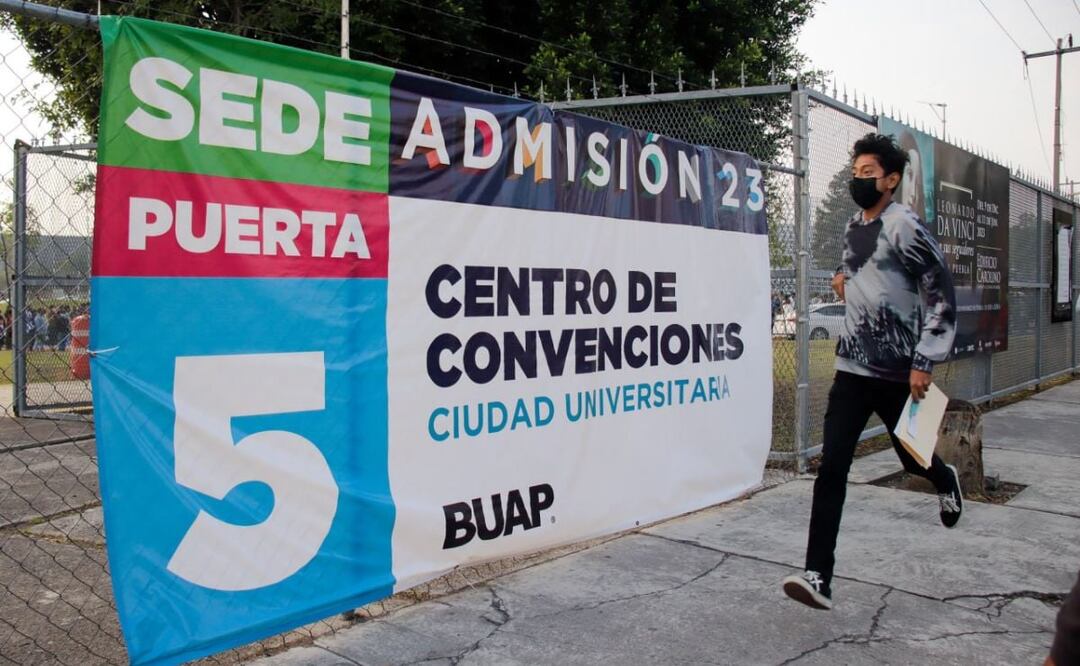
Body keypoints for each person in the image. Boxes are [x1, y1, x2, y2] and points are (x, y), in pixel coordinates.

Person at [781, 133, 962, 611]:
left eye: (868, 173)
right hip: (851, 369)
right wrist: (844, 282)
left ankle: (944, 479)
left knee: (913, 459)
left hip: (898, 372)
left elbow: (940, 293)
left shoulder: (905, 226)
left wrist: (924, 360)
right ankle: (818, 576)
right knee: (832, 468)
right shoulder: (851, 227)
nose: (858, 180)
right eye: (855, 173)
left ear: (891, 179)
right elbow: (859, 274)